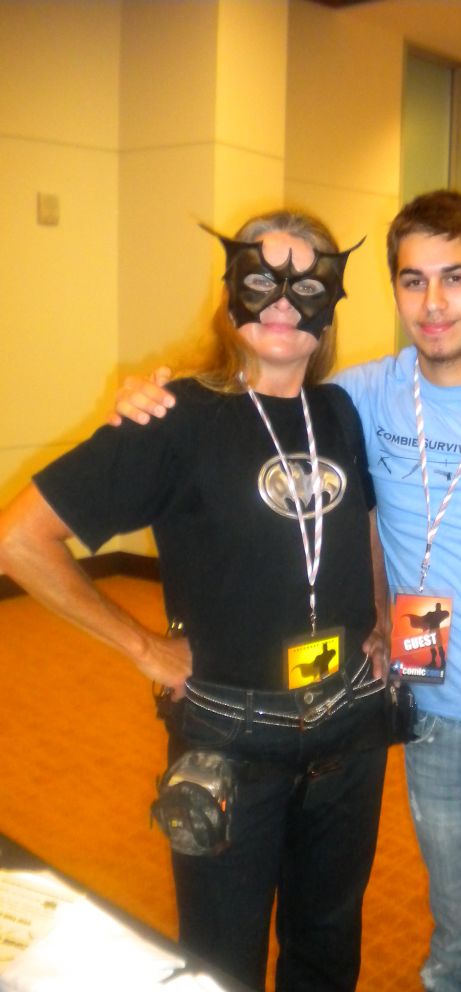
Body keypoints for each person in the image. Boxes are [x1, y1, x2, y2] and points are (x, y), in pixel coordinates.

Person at [109, 190, 461, 992]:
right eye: (413, 281)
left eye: (456, 278)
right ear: (394, 291)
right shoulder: (359, 399)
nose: (434, 303)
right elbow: (270, 406)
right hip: (435, 721)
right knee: (456, 956)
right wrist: (150, 396)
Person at [0, 209, 391, 992]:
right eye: (261, 279)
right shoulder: (173, 417)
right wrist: (144, 647)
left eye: (307, 285)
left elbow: (364, 522)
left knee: (328, 941)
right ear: (228, 293)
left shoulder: (338, 411)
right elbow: (20, 540)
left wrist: (379, 616)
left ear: (333, 304)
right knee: (221, 960)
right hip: (230, 738)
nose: (283, 303)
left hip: (349, 728)